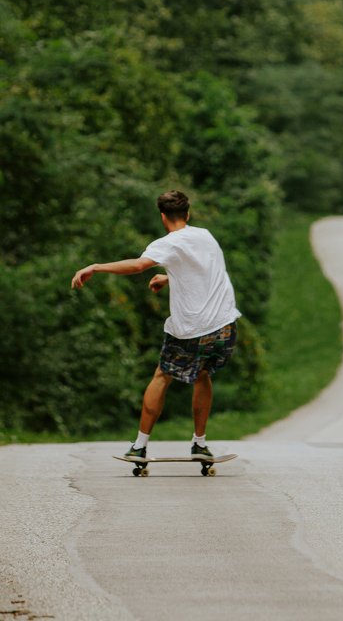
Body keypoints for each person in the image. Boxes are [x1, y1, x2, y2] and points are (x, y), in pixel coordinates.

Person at [71, 189, 240, 462]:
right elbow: (207, 273)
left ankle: (139, 446)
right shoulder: (206, 236)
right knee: (203, 374)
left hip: (191, 328)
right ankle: (200, 443)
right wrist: (168, 277)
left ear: (163, 217)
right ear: (188, 214)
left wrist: (96, 267)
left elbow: (139, 266)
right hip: (223, 325)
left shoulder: (167, 244)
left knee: (162, 376)